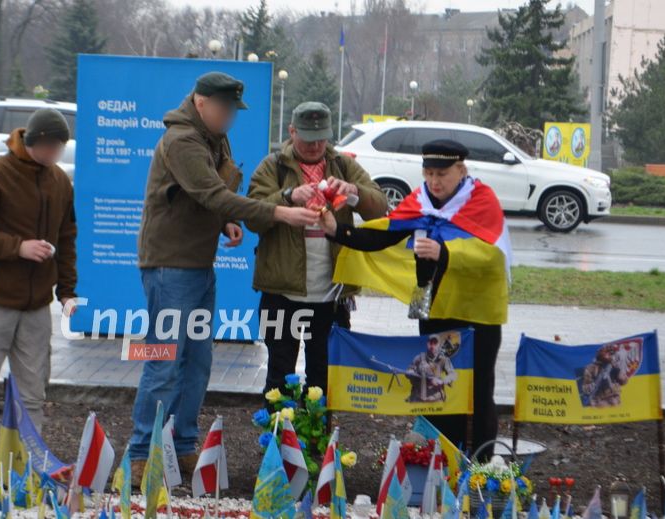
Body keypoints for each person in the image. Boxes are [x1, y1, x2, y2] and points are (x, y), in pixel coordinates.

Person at [131, 72, 320, 483]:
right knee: (163, 362)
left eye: (234, 110)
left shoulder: (215, 138)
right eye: (225, 109)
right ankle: (141, 454)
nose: (230, 117)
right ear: (201, 103)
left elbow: (209, 197)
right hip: (168, 266)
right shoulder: (182, 140)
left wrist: (224, 223)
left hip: (199, 265)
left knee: (197, 363)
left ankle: (182, 444)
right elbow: (211, 194)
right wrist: (279, 212)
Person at [321, 139, 511, 456]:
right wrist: (337, 231)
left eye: (442, 174)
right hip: (434, 309)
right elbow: (385, 232)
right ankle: (442, 460)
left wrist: (444, 251)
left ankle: (481, 466)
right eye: (429, 173)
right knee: (435, 387)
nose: (434, 182)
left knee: (478, 391)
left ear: (461, 170)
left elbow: (492, 254)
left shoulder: (482, 199)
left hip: (477, 312)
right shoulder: (421, 199)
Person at [0, 108, 77, 470]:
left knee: (33, 391)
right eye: (52, 147)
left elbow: (66, 238)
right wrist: (17, 247)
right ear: (35, 142)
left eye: (61, 147)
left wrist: (66, 290)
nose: (56, 154)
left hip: (36, 306)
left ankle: (30, 462)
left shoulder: (60, 182)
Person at [246, 102, 387, 397]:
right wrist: (287, 196)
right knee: (279, 377)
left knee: (324, 379)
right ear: (292, 131)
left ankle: (318, 429)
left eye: (321, 138)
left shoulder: (343, 165)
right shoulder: (272, 166)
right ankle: (279, 428)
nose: (315, 146)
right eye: (308, 139)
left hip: (331, 296)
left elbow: (379, 207)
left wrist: (354, 192)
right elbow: (252, 217)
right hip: (281, 293)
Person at [405, 336, 457, 403]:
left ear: (439, 345)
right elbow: (408, 372)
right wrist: (410, 372)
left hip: (436, 400)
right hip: (418, 399)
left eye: (435, 343)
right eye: (430, 343)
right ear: (427, 344)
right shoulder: (418, 358)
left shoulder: (443, 360)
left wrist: (442, 381)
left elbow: (453, 374)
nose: (432, 346)